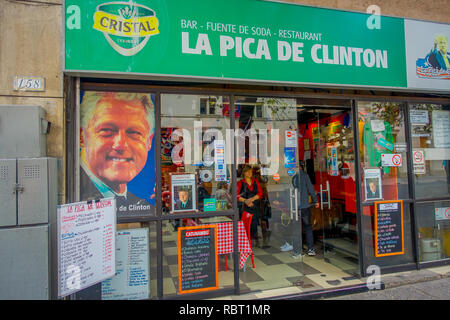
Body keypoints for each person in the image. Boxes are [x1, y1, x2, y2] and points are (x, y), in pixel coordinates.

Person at [80, 91, 155, 215]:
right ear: (82, 137)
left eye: (134, 133)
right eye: (107, 130)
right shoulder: (76, 197)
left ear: (149, 142)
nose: (120, 145)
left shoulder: (145, 206)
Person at [284, 161, 319, 258]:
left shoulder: (292, 177)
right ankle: (310, 249)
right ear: (302, 167)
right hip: (304, 207)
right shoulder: (304, 176)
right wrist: (316, 201)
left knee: (296, 229)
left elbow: (288, 190)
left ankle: (297, 252)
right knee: (307, 227)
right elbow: (311, 188)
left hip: (295, 207)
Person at [237, 165, 263, 240]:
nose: (249, 173)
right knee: (246, 226)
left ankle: (252, 239)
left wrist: (252, 199)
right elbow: (236, 196)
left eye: (250, 171)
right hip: (244, 208)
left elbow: (260, 193)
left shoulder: (255, 182)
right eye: (247, 172)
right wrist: (245, 201)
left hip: (254, 207)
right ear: (244, 173)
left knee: (254, 225)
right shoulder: (240, 183)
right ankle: (246, 242)